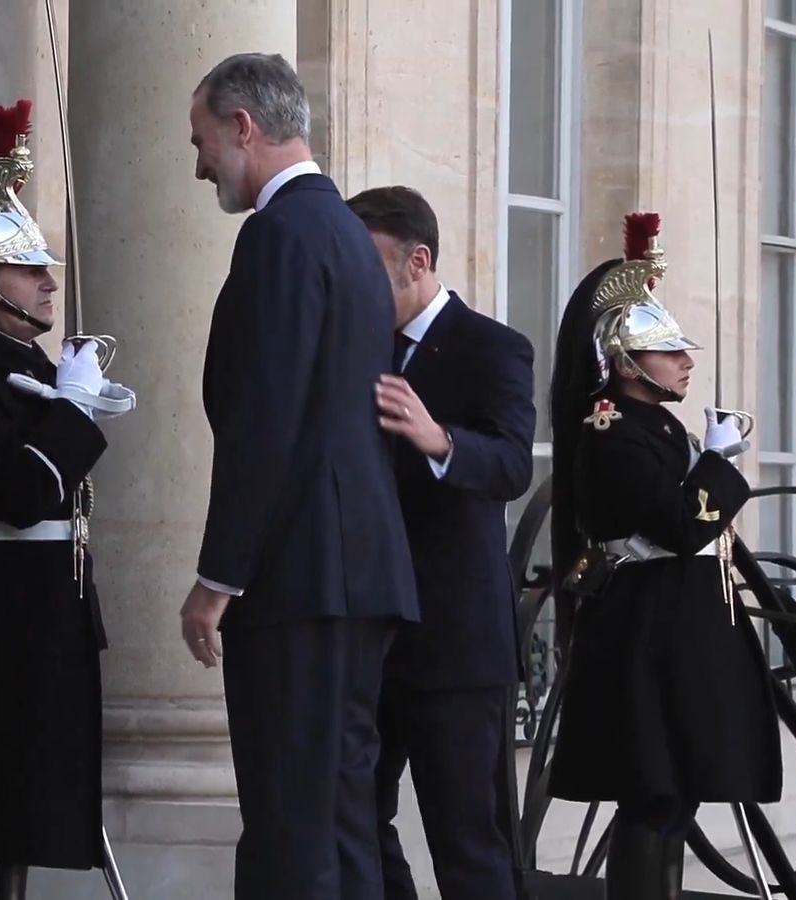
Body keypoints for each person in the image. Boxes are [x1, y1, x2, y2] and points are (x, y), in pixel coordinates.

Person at [179, 52, 420, 900]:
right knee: (343, 819)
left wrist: (218, 576)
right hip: (355, 573)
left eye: (205, 139)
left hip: (302, 578)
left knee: (291, 825)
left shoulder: (282, 233)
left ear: (245, 127)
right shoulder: (348, 234)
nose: (200, 161)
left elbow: (266, 417)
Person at [0, 101, 133, 900]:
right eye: (27, 268)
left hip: (46, 614)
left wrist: (72, 400)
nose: (49, 283)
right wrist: (73, 412)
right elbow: (21, 493)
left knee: (24, 819)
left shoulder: (25, 358)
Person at [547, 212, 781, 899]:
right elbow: (682, 526)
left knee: (676, 792)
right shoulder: (611, 432)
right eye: (668, 350)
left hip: (676, 629)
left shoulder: (650, 424)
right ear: (624, 360)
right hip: (646, 629)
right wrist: (715, 460)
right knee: (651, 795)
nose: (686, 360)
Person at [347, 185, 534, 900]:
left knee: (468, 839)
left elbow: (513, 465)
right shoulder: (357, 345)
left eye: (369, 268)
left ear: (416, 261)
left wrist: (441, 441)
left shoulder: (494, 347)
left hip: (455, 642)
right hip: (369, 630)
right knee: (355, 811)